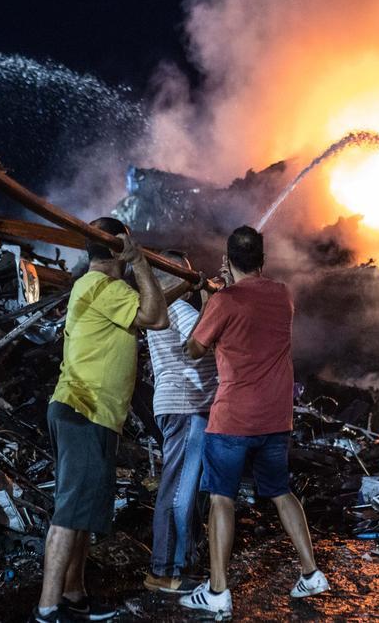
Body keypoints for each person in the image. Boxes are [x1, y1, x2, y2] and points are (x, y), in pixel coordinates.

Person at [178, 226, 328, 619]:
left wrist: (209, 297)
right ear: (264, 261)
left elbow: (194, 349)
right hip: (276, 418)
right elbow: (250, 316)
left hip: (233, 419)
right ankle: (311, 573)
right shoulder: (283, 295)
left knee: (221, 499)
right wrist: (221, 294)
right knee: (281, 491)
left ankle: (217, 592)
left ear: (227, 261)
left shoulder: (224, 302)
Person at [36, 217, 170, 622]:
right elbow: (156, 318)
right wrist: (141, 261)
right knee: (68, 512)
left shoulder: (99, 290)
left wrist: (189, 286)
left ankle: (74, 595)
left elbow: (151, 307)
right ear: (118, 250)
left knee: (82, 514)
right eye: (127, 249)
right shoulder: (104, 287)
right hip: (84, 411)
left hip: (91, 413)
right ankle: (45, 610)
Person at [145, 250, 219, 594]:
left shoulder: (164, 309)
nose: (192, 279)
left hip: (178, 406)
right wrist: (210, 296)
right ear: (170, 277)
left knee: (182, 486)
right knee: (179, 490)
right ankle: (165, 571)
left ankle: (179, 564)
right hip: (187, 407)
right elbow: (204, 341)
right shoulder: (178, 308)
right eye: (186, 274)